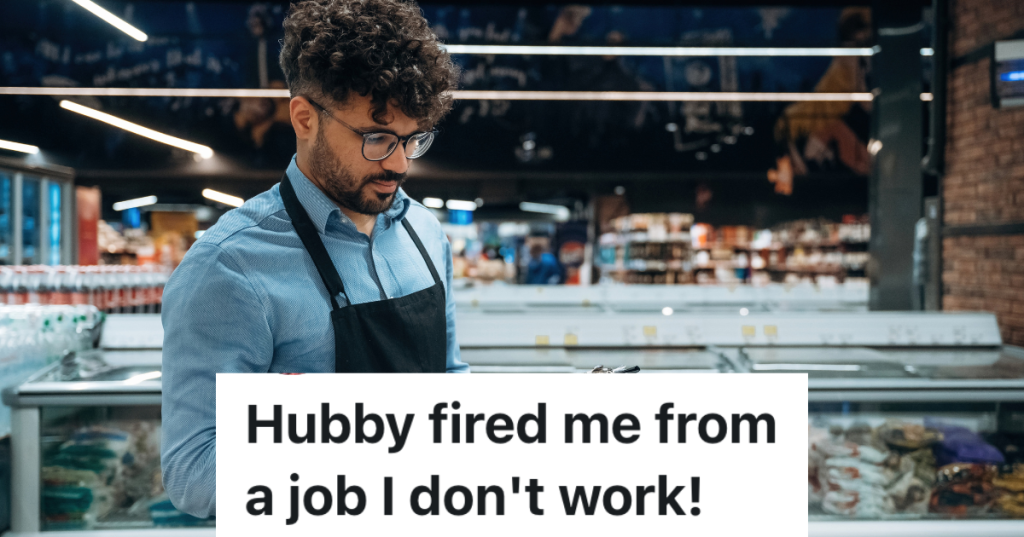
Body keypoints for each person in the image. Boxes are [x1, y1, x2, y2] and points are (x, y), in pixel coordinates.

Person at [160, 0, 468, 519]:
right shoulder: (229, 267)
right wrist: (322, 441)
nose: (398, 164)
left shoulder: (424, 232)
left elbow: (450, 380)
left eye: (412, 140)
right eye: (376, 137)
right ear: (305, 118)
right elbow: (192, 471)